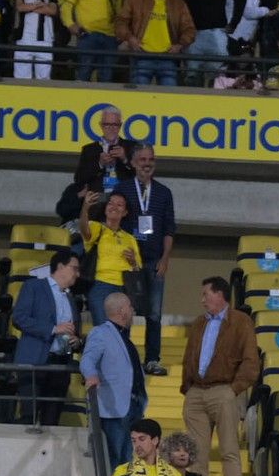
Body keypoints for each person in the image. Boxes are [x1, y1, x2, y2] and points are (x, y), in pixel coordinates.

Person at [181, 277, 259, 476]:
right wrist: (188, 388)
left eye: (206, 294)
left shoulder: (241, 322)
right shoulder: (198, 323)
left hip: (224, 390)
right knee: (195, 455)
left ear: (219, 295)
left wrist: (233, 389)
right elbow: (188, 356)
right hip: (196, 391)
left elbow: (251, 361)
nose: (202, 299)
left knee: (229, 451)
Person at [115, 146, 175, 377]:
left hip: (154, 262)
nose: (146, 163)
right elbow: (114, 223)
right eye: (142, 159)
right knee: (125, 312)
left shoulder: (164, 192)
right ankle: (126, 359)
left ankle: (151, 359)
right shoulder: (122, 189)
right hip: (128, 263)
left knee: (154, 314)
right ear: (132, 163)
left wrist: (166, 258)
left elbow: (169, 229)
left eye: (151, 159)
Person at [13, 249, 81, 427]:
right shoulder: (33, 287)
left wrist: (76, 340)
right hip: (35, 360)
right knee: (29, 416)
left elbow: (75, 331)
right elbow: (19, 318)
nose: (77, 274)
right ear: (60, 267)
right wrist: (52, 329)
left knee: (52, 420)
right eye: (75, 268)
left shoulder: (71, 298)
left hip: (61, 363)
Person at [116, 0, 195, 85]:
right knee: (139, 97)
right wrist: (130, 38)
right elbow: (121, 22)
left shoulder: (178, 3)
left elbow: (189, 29)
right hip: (141, 55)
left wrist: (179, 45)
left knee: (168, 99)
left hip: (168, 58)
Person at [76, 189, 143, 325]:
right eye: (111, 203)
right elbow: (84, 229)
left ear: (125, 212)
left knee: (123, 329)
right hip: (100, 285)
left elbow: (137, 269)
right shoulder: (96, 227)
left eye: (119, 205)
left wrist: (133, 261)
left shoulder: (130, 238)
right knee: (103, 327)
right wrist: (85, 207)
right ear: (105, 208)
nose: (114, 207)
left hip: (124, 287)